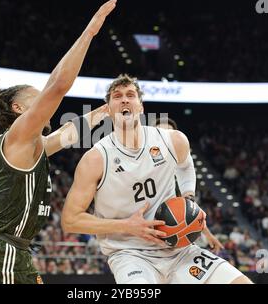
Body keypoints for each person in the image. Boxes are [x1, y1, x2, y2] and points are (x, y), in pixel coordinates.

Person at [0, 0, 117, 284]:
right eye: (35, 98)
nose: (43, 102)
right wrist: (90, 31)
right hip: (1, 251)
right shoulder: (18, 136)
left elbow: (67, 134)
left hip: (13, 251)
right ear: (19, 109)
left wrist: (104, 111)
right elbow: (58, 85)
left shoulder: (33, 145)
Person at [62, 74, 252, 284]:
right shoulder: (95, 159)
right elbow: (70, 220)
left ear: (141, 107)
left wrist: (189, 198)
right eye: (117, 96)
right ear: (108, 109)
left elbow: (186, 164)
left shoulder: (173, 140)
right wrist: (127, 226)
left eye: (130, 95)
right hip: (130, 254)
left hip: (179, 250)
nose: (124, 99)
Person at [153, 117, 223, 254]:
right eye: (160, 132)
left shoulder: (179, 174)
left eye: (170, 133)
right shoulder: (140, 164)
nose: (166, 137)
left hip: (167, 238)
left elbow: (188, 213)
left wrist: (207, 234)